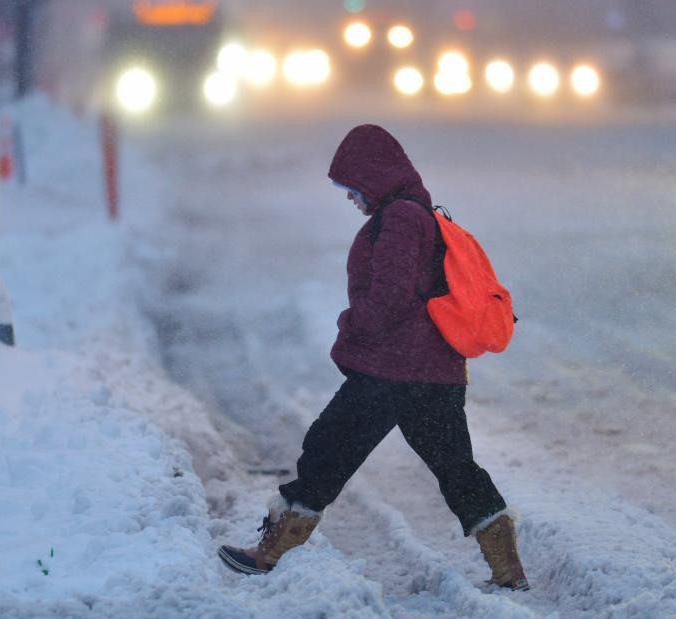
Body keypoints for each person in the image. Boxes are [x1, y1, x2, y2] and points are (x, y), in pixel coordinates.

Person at [218, 124, 529, 591]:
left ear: (373, 176)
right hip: (435, 372)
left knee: (326, 450)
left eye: (351, 187)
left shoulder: (401, 218)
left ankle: (270, 554)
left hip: (392, 370)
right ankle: (508, 570)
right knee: (456, 468)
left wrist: (352, 325)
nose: (350, 197)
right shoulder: (417, 213)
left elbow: (390, 297)